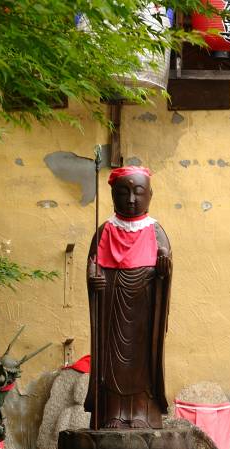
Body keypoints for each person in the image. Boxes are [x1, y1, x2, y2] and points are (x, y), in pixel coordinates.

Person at [85, 166, 171, 429]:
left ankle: (142, 413)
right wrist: (94, 276)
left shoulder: (155, 231)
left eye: (138, 192)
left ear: (150, 195)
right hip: (112, 307)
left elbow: (164, 272)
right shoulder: (105, 230)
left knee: (142, 363)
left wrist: (164, 269)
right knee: (112, 362)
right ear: (113, 195)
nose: (131, 200)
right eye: (124, 193)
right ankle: (114, 413)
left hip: (145, 309)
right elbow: (93, 263)